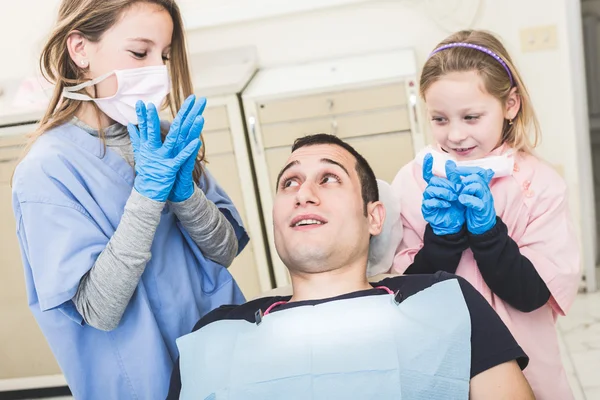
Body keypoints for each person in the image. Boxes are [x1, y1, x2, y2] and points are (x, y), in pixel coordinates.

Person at [166, 133, 534, 400]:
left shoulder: (448, 304)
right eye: (289, 182)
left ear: (374, 218)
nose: (303, 193)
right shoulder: (215, 334)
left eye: (329, 178)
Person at [11, 1, 248, 398]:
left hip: (223, 360)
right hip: (143, 383)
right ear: (80, 50)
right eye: (140, 53)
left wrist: (185, 196)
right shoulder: (48, 170)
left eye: (165, 55)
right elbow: (98, 310)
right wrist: (148, 197)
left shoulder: (166, 135)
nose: (157, 70)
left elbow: (224, 250)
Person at [390, 30, 581, 399]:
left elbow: (531, 296)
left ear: (510, 105)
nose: (456, 135)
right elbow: (403, 295)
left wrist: (489, 234)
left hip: (525, 366)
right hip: (442, 359)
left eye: (471, 117)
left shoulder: (539, 186)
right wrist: (441, 241)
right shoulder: (412, 182)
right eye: (440, 119)